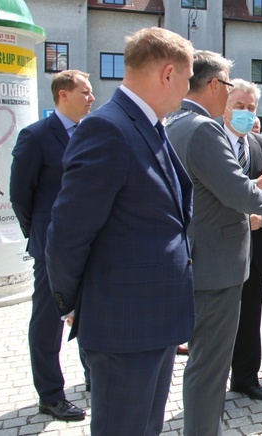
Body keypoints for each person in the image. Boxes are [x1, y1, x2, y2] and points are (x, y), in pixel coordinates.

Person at [45, 27, 196, 435]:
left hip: (153, 320)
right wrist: (75, 301)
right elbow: (68, 233)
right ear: (168, 74)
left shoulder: (149, 125)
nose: (187, 90)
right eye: (186, 79)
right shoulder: (109, 129)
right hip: (122, 322)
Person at [165, 52, 262, 435]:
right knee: (209, 365)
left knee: (203, 360)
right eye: (227, 86)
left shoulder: (174, 120)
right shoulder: (204, 128)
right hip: (215, 263)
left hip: (196, 255)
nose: (229, 94)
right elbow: (236, 192)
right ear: (213, 85)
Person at [10, 70, 94, 422]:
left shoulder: (91, 133)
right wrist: (41, 232)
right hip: (50, 244)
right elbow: (20, 195)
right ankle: (50, 395)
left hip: (89, 241)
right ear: (63, 94)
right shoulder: (36, 136)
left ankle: (95, 378)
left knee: (90, 314)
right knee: (48, 320)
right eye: (85, 92)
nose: (91, 98)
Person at [225, 80, 262, 401]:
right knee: (218, 320)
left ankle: (246, 377)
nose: (246, 113)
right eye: (239, 106)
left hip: (256, 248)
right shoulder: (211, 140)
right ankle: (210, 384)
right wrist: (247, 214)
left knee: (250, 316)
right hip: (219, 249)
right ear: (224, 104)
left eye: (251, 108)